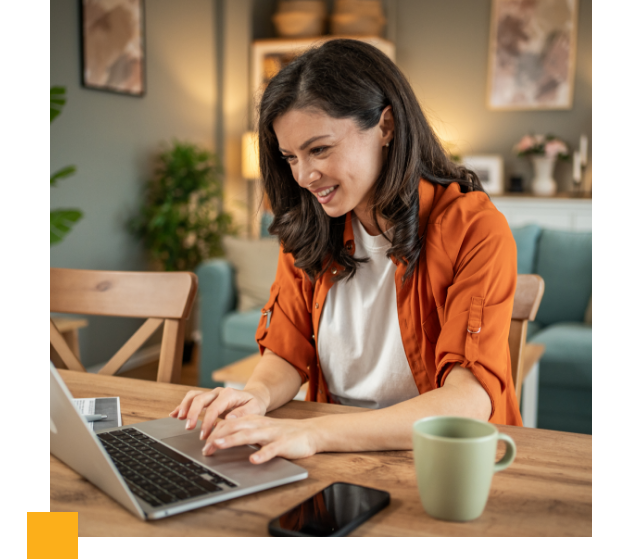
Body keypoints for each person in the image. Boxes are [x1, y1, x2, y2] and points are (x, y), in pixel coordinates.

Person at [171, 39, 522, 465]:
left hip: (440, 463)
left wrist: (316, 432)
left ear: (386, 127)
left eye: (319, 149)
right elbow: (286, 350)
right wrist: (255, 397)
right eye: (290, 157)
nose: (304, 176)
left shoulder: (474, 228)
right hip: (334, 454)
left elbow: (467, 402)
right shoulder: (308, 226)